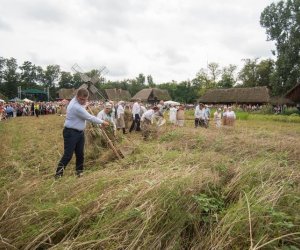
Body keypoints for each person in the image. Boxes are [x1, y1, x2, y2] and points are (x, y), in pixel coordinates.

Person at [55, 88, 109, 179]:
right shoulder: (76, 107)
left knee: (80, 154)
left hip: (79, 133)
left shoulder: (75, 101)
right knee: (68, 155)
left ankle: (79, 172)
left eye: (85, 99)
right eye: (81, 99)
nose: (83, 101)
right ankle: (58, 174)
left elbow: (82, 106)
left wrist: (85, 105)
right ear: (77, 97)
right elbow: (90, 118)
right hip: (71, 133)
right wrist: (102, 122)